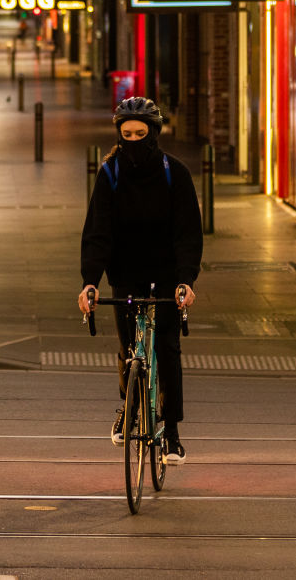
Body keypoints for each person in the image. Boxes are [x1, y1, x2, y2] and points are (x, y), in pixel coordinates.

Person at [78, 97, 203, 465]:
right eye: (126, 134)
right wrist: (90, 282)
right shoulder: (111, 173)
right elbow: (97, 232)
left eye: (140, 134)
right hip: (126, 275)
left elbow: (188, 235)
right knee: (127, 347)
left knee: (166, 348)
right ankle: (128, 407)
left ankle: (173, 435)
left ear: (154, 134)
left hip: (165, 276)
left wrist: (185, 281)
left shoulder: (174, 174)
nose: (132, 140)